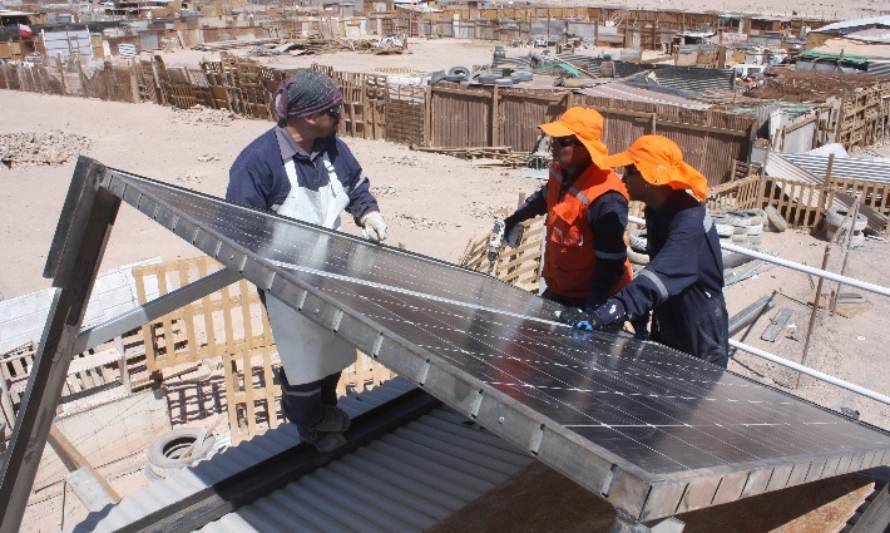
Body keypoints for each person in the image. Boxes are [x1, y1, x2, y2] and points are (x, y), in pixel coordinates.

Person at [226, 70, 388, 452]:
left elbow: (357, 189)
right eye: (335, 111)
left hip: (331, 272)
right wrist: (272, 272)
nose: (341, 117)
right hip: (284, 282)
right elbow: (238, 232)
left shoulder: (333, 149)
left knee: (332, 352)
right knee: (303, 362)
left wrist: (369, 215)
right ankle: (310, 426)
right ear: (311, 116)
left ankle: (325, 410)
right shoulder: (258, 163)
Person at [560, 135, 729, 368]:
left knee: (688, 401)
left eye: (629, 171)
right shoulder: (657, 211)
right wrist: (641, 314)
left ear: (650, 177)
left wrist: (601, 315)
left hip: (698, 336)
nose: (622, 178)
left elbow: (658, 276)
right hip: (669, 321)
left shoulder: (688, 221)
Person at [499, 106, 633, 316]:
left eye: (563, 141)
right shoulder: (561, 171)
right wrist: (514, 218)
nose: (554, 146)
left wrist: (593, 313)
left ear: (584, 147)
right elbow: (544, 198)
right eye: (554, 140)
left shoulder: (606, 197)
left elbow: (609, 262)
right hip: (561, 290)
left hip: (594, 299)